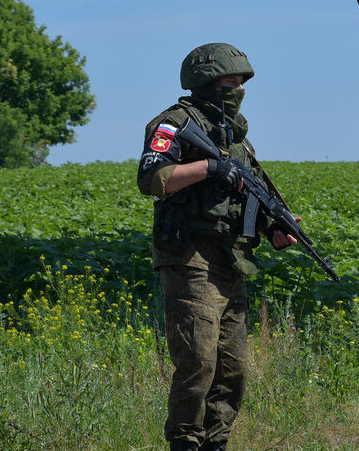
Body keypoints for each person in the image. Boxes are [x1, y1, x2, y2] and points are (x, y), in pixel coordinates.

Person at [137, 42, 297, 451]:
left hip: (231, 259)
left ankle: (216, 441)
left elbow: (246, 197)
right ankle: (186, 443)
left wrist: (272, 225)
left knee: (232, 369)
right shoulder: (174, 123)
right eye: (230, 80)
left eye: (242, 81)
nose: (239, 87)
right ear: (206, 81)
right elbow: (152, 179)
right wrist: (209, 166)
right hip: (189, 256)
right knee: (198, 362)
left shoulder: (238, 139)